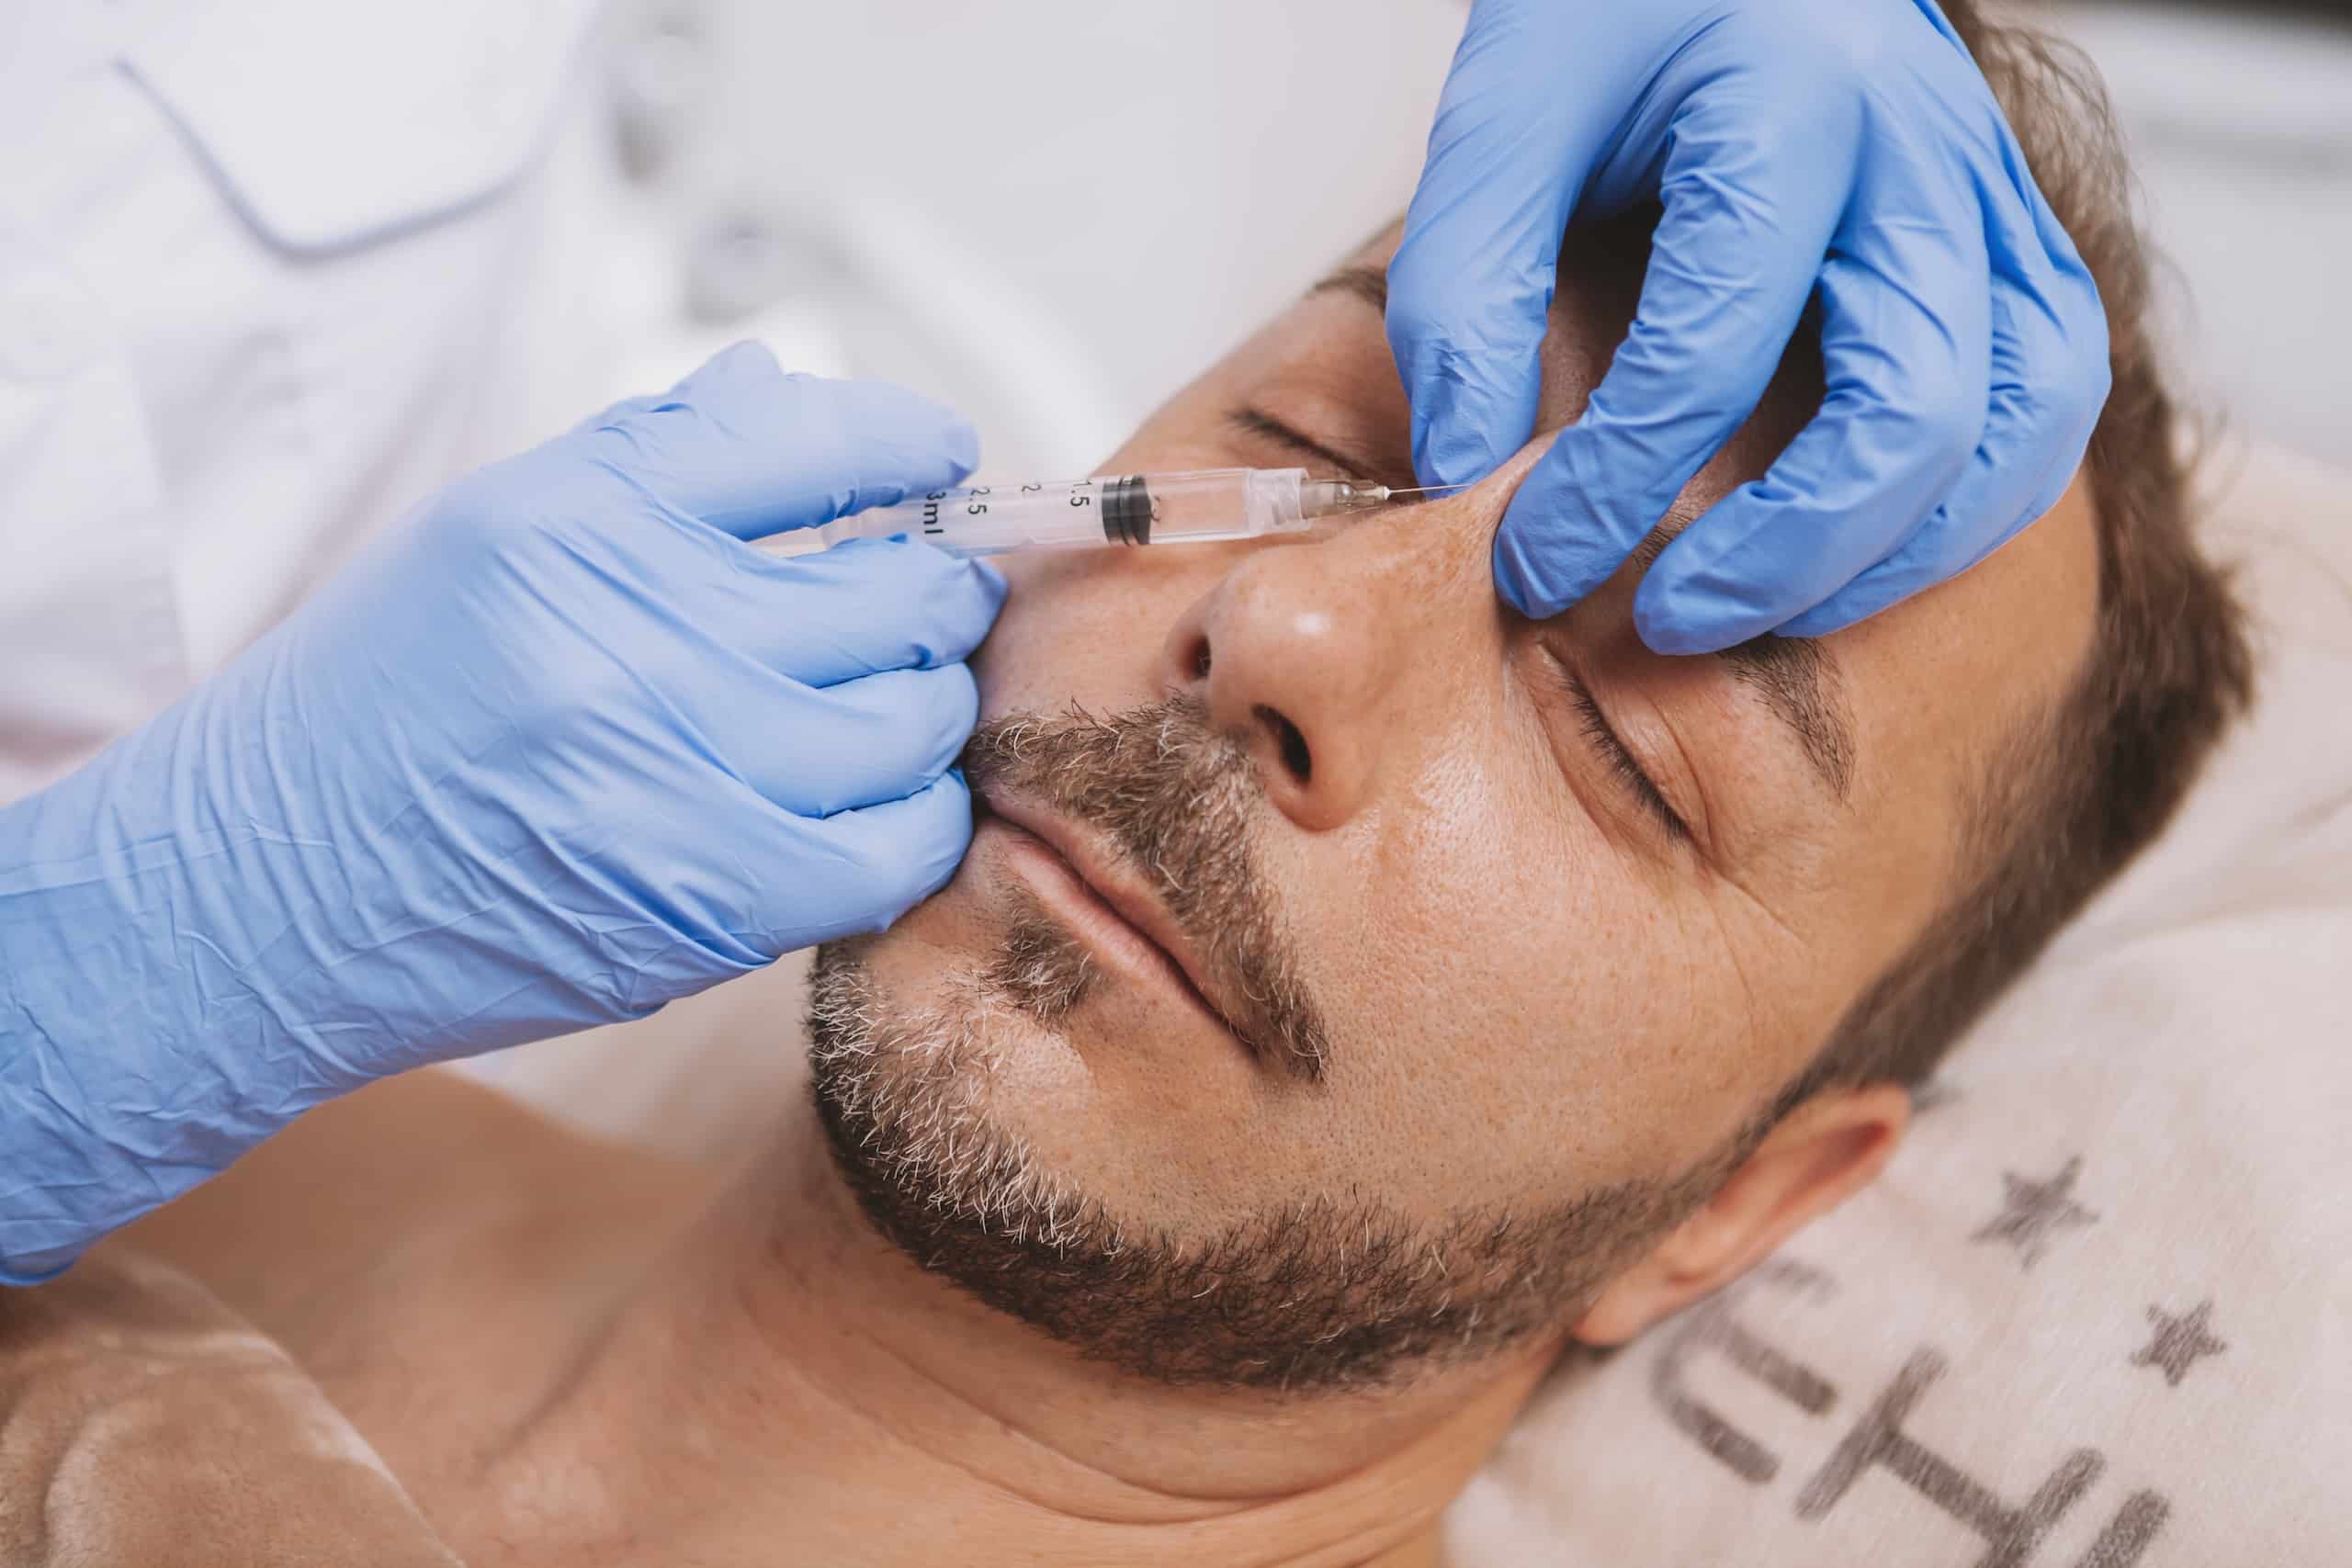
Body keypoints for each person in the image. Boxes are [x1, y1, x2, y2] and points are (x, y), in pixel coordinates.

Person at [0, 9, 2250, 1562]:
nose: (1276, 633)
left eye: (1620, 741)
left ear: (1735, 1207)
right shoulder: (187, 1074)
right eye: (1311, 452)